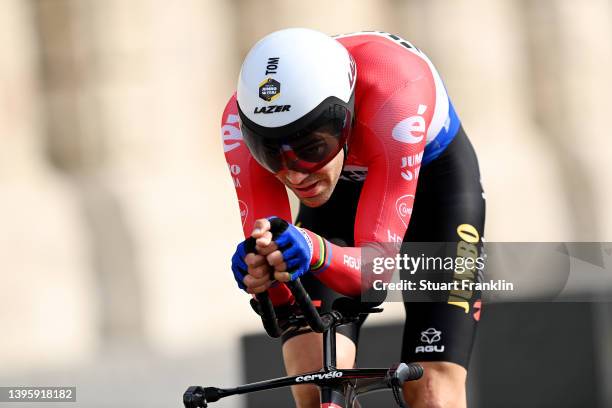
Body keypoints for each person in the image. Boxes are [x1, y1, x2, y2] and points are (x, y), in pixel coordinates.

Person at [222, 28, 485, 408]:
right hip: (336, 196)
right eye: (270, 154)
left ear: (343, 118)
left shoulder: (397, 94)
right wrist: (263, 274)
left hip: (436, 192)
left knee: (431, 392)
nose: (294, 175)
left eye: (310, 147)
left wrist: (313, 250)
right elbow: (282, 306)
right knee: (315, 382)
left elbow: (375, 273)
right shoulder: (241, 121)